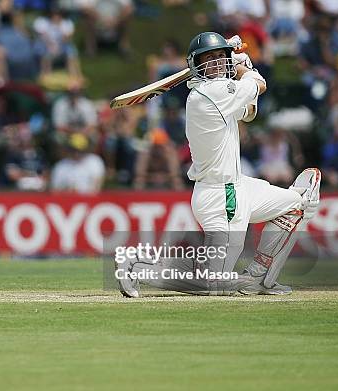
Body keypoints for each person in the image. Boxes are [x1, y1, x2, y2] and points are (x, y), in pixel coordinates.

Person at [116, 32, 321, 297]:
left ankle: (259, 278)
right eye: (208, 58)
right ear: (197, 65)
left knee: (296, 204)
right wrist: (245, 68)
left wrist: (239, 69)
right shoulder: (209, 93)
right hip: (219, 197)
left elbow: (248, 111)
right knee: (216, 283)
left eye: (218, 57)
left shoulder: (221, 93)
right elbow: (259, 84)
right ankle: (138, 266)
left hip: (240, 187)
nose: (214, 63)